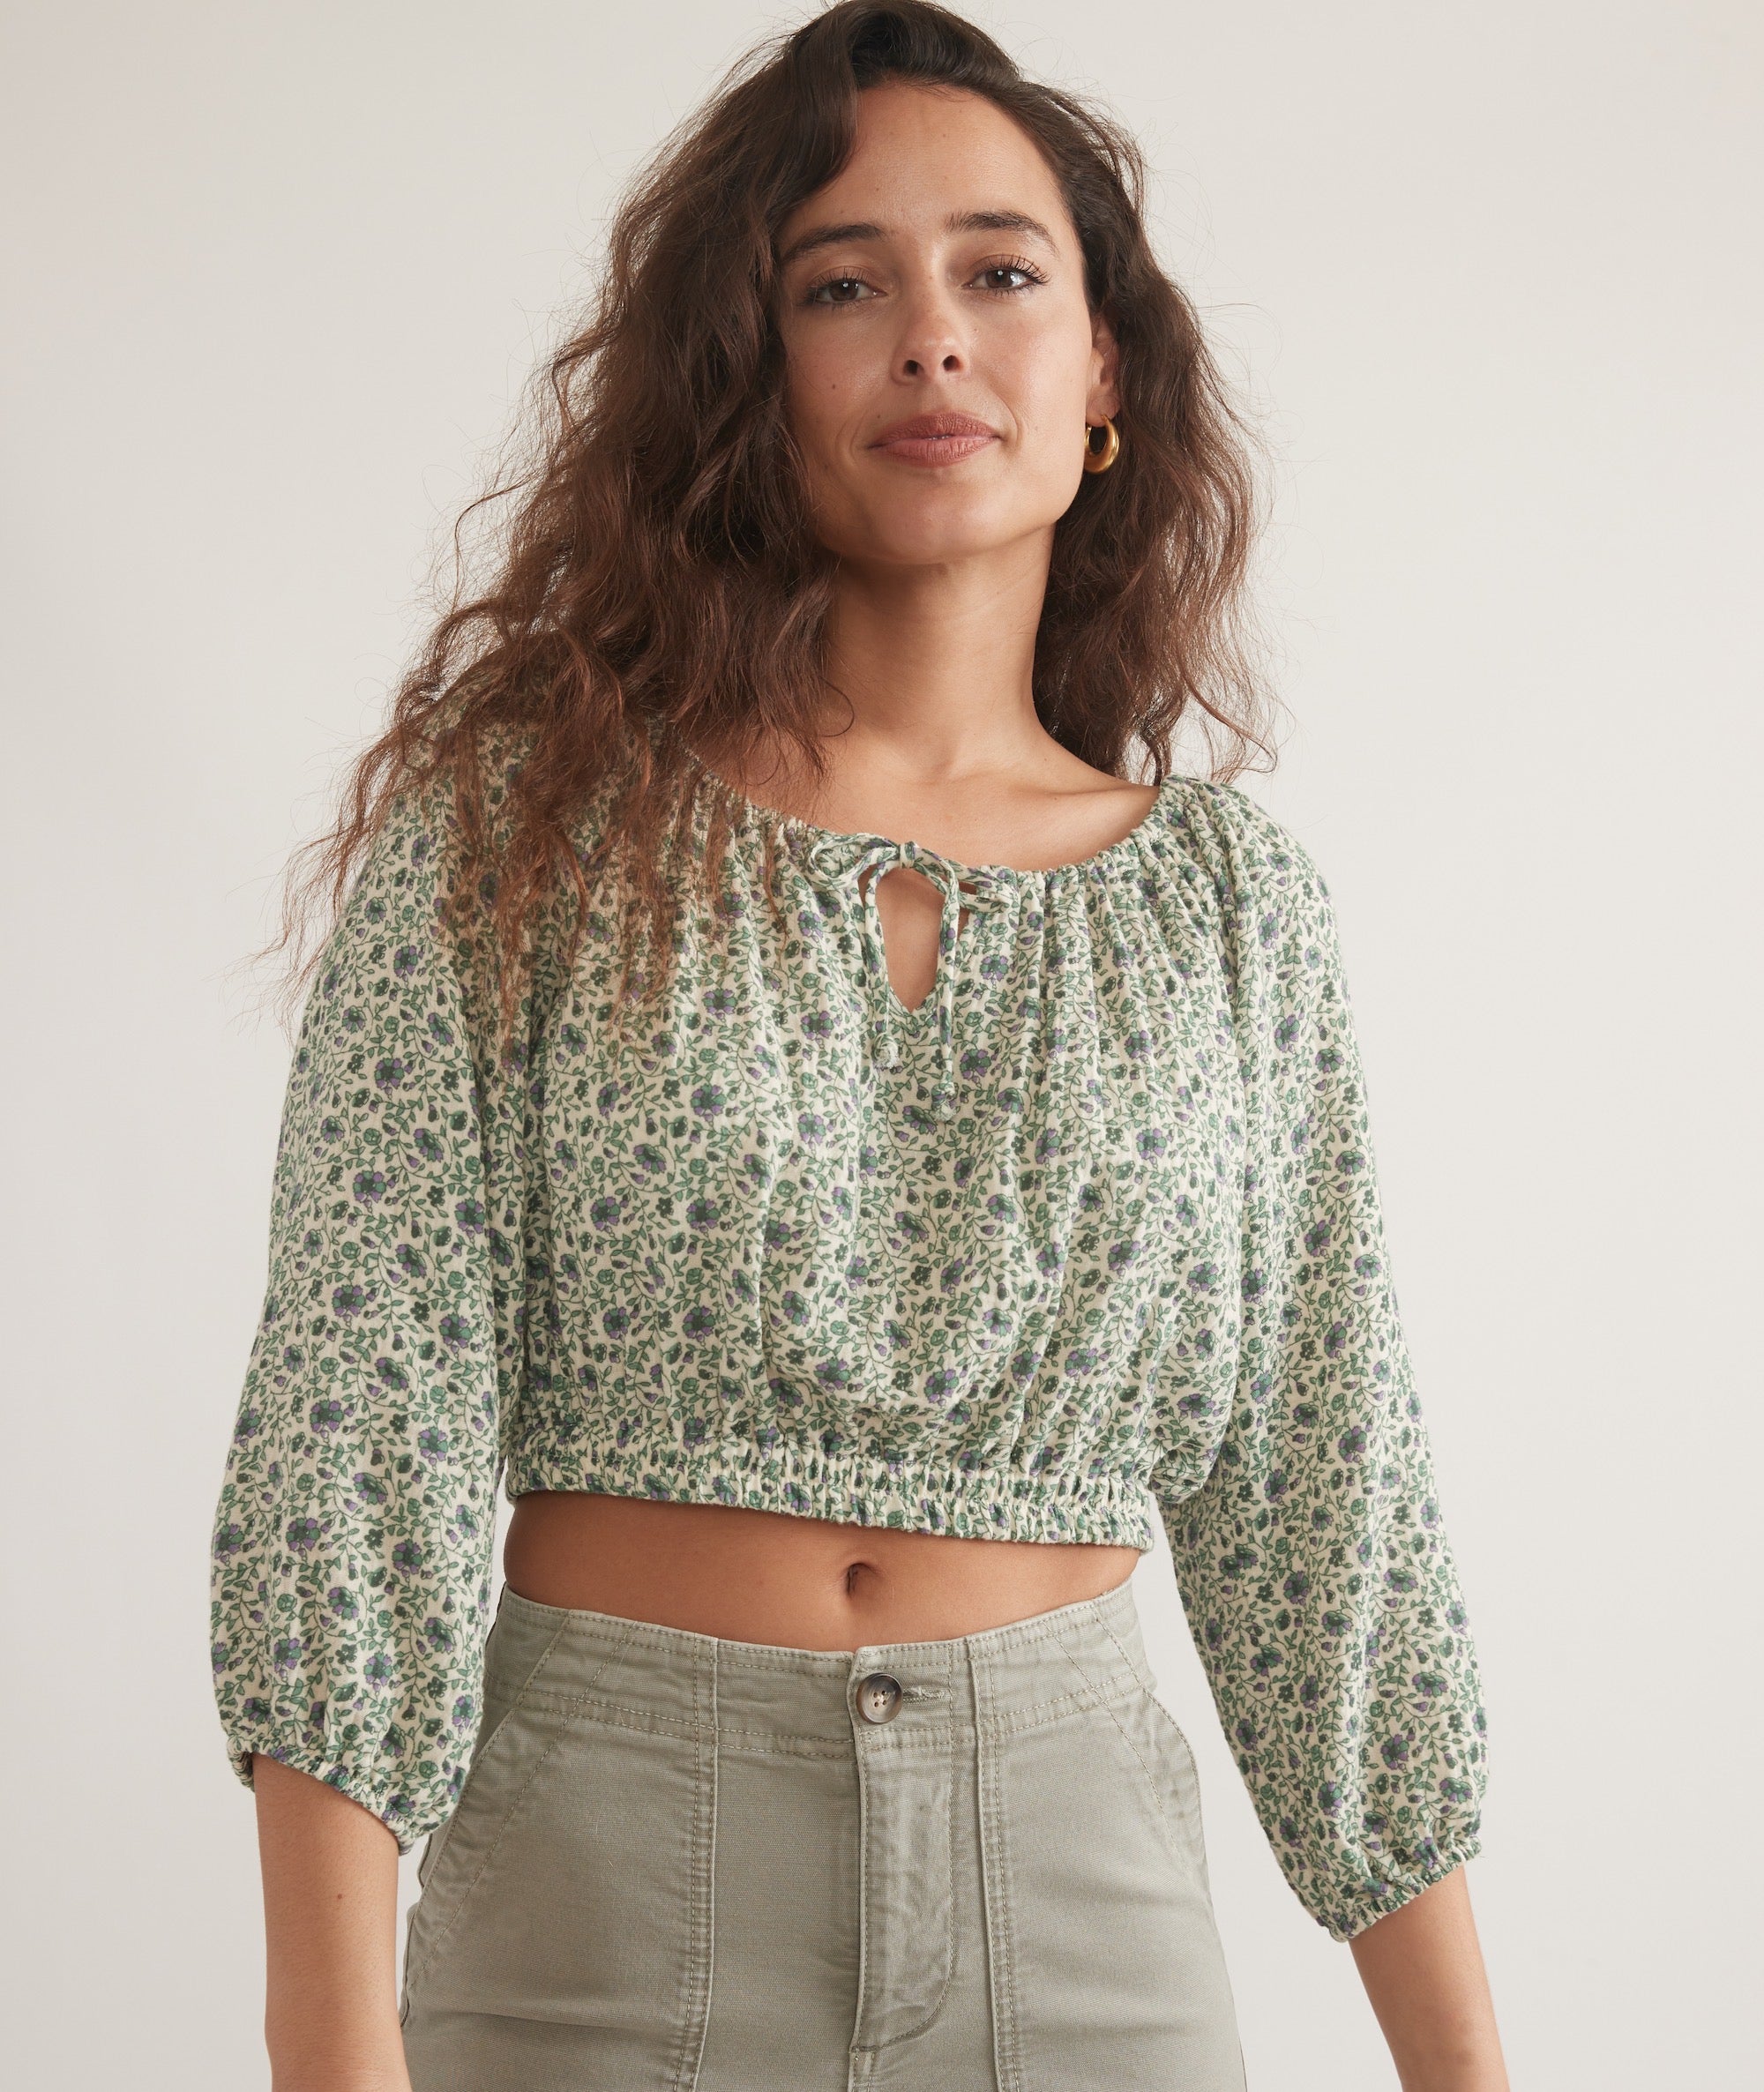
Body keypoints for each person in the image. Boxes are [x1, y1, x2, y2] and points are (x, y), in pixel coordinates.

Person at [208, 5, 1503, 2087]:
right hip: (601, 1906)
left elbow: (1325, 1502)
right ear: (749, 371)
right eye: (841, 285)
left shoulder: (1230, 909)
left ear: (1103, 372)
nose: (930, 339)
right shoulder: (522, 829)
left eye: (1000, 271)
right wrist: (327, 2051)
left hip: (1079, 1920)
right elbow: (360, 1434)